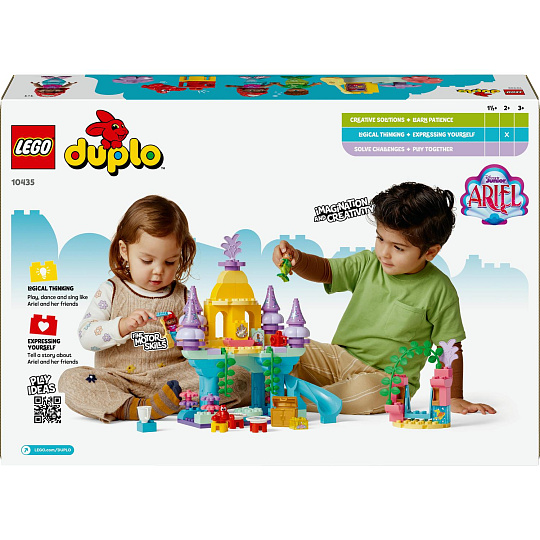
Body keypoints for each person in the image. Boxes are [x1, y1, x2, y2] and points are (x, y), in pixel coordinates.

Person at [273, 182, 496, 416]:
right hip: (337, 358)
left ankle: (289, 397)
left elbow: (449, 347)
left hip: (388, 379)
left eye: (398, 248)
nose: (384, 253)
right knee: (286, 348)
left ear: (430, 252)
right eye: (380, 239)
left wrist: (454, 397)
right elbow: (327, 270)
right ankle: (261, 384)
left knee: (373, 393)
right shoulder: (368, 263)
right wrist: (297, 259)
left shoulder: (439, 290)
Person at [59, 195, 250, 422]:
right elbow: (86, 336)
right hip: (120, 380)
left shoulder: (185, 297)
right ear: (124, 250)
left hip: (175, 380)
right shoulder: (110, 290)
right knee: (71, 380)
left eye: (170, 262)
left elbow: (201, 347)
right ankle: (134, 407)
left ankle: (168, 402)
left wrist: (197, 334)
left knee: (238, 374)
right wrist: (121, 326)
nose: (159, 271)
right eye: (147, 261)